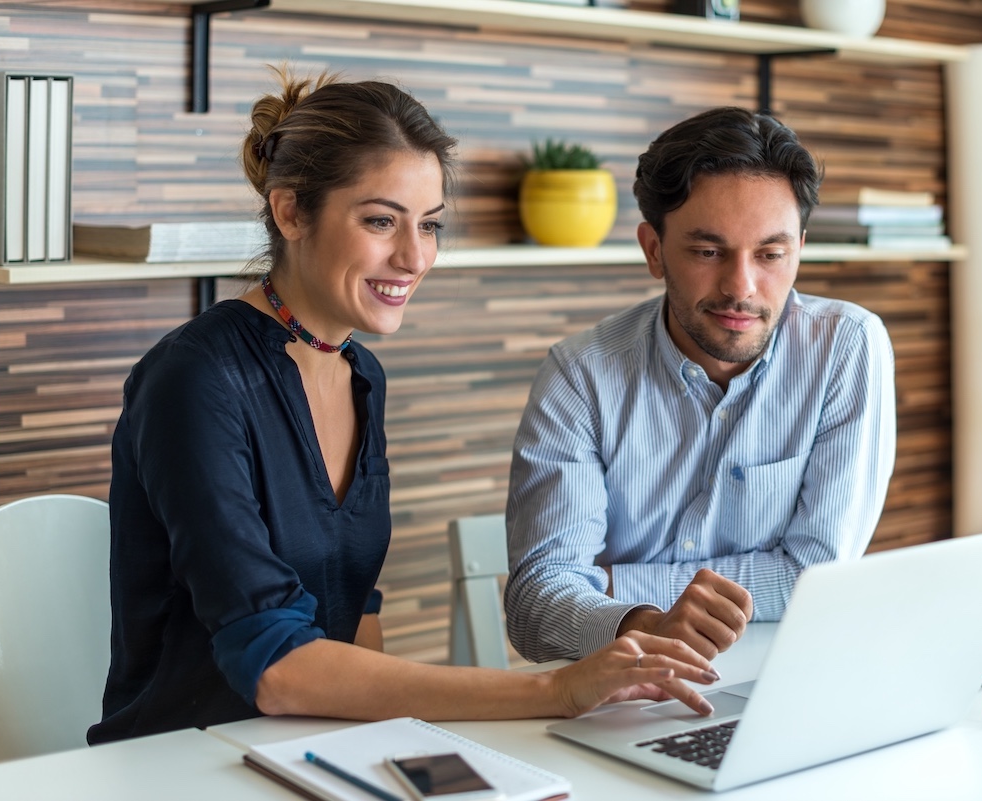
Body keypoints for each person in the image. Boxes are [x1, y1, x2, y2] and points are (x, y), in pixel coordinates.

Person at [88, 71, 723, 746]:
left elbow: (356, 611)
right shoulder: (194, 378)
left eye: (429, 225)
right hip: (180, 759)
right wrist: (555, 688)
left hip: (311, 750)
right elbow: (273, 666)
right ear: (292, 212)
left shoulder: (360, 373)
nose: (414, 256)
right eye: (381, 220)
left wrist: (403, 750)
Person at [504, 107, 897, 664]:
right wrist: (647, 623)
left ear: (800, 250)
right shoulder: (580, 376)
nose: (742, 286)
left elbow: (817, 576)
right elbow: (535, 606)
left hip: (786, 680)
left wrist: (615, 586)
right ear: (654, 250)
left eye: (770, 254)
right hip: (622, 691)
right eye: (708, 252)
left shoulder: (846, 348)